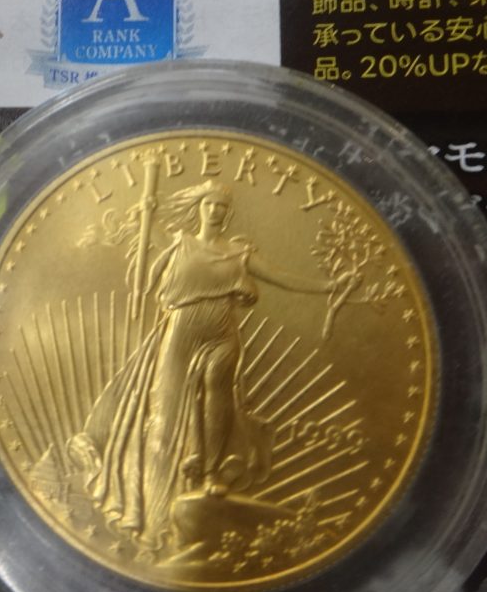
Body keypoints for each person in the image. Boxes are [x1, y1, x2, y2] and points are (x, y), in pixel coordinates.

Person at [66, 179, 332, 552]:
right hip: (181, 329)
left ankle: (210, 473)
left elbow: (283, 278)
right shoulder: (180, 243)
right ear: (199, 208)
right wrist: (145, 212)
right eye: (210, 205)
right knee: (165, 409)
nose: (216, 212)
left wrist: (329, 286)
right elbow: (146, 238)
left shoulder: (238, 253)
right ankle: (153, 506)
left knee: (217, 395)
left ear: (228, 214)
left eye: (222, 207)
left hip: (222, 330)